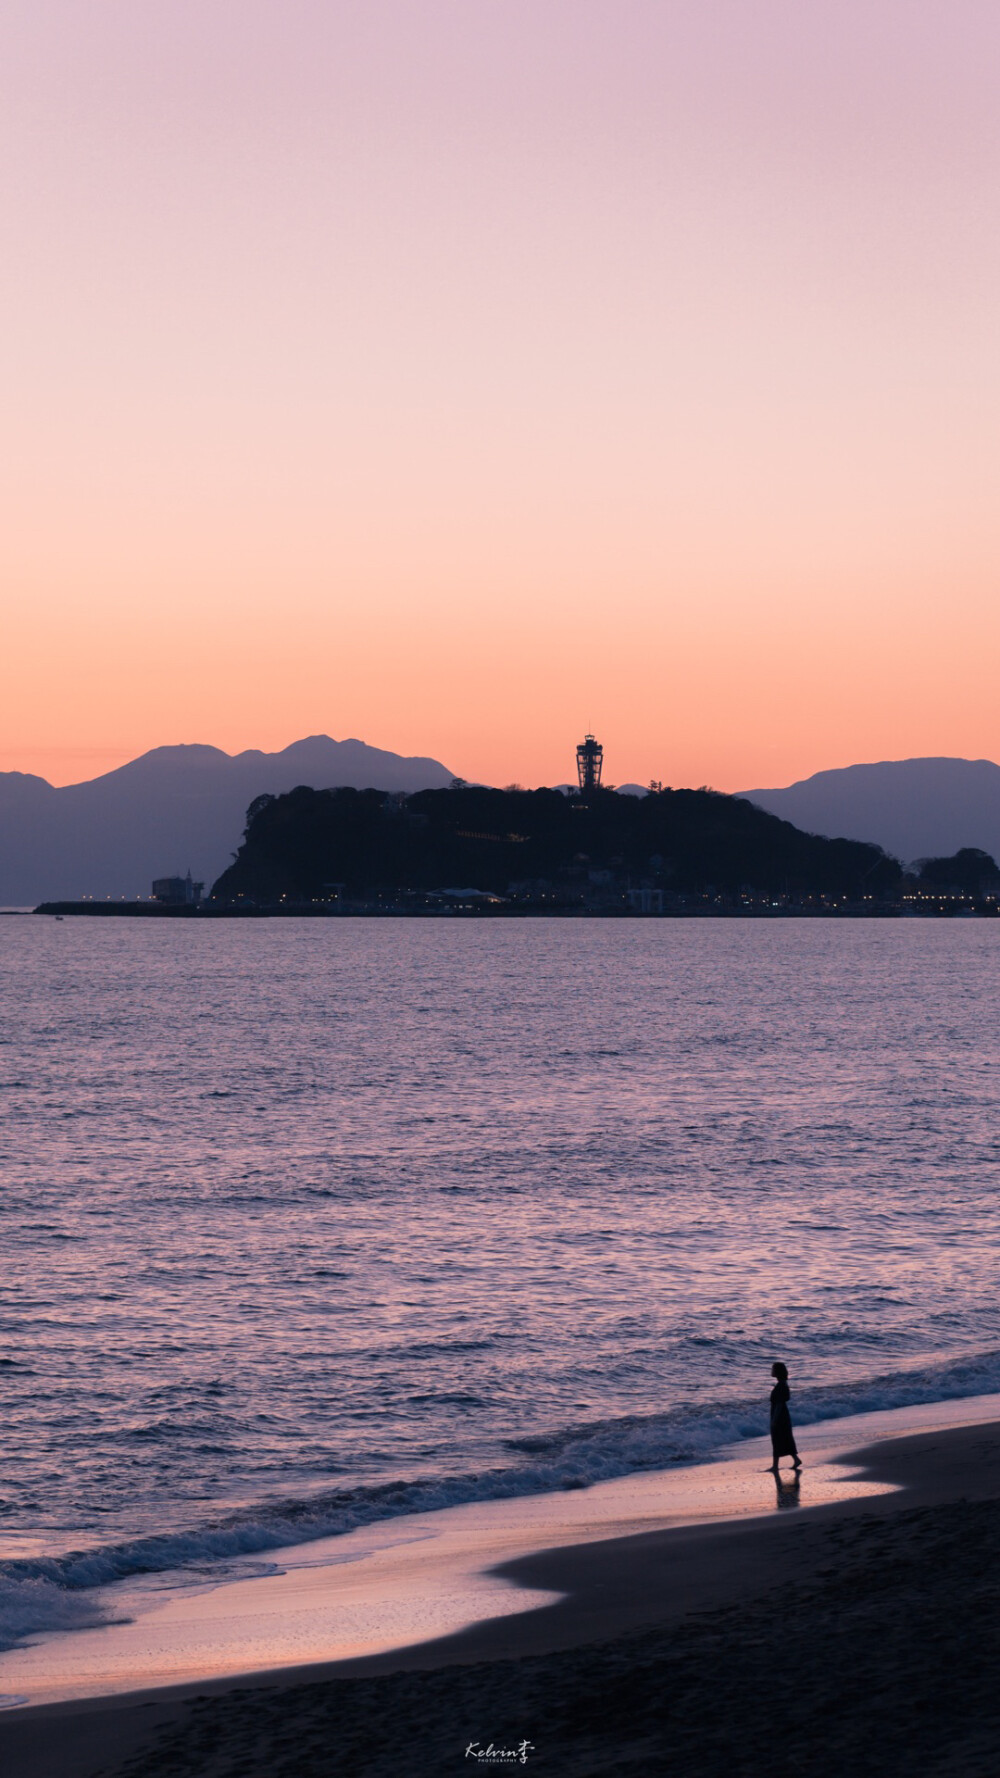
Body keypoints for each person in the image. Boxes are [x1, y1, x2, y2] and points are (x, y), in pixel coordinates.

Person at [769, 1361, 802, 1473]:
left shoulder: (781, 1386)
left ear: (777, 1372)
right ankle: (795, 1460)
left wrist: (774, 1420)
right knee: (785, 1438)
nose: (771, 1371)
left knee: (778, 1439)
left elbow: (779, 1404)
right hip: (783, 1415)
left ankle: (775, 1466)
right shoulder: (783, 1384)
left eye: (773, 1369)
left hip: (780, 1415)